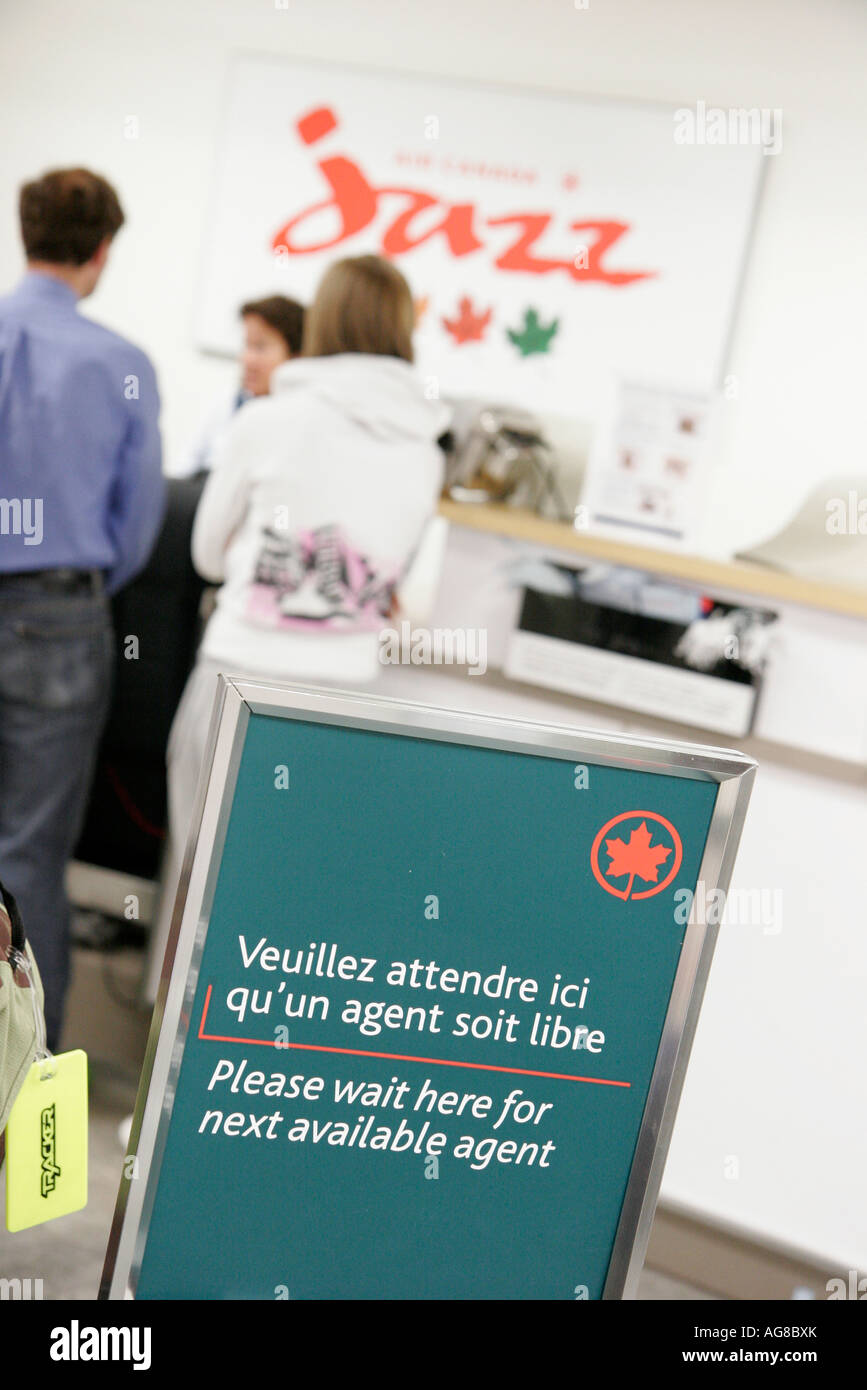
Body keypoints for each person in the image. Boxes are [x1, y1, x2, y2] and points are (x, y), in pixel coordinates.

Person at [146, 255, 448, 997]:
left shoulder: (270, 421)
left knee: (202, 882)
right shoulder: (424, 450)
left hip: (239, 679)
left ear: (323, 322)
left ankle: (165, 1100)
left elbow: (209, 554)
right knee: (295, 903)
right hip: (343, 699)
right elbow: (405, 585)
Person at [0, 167, 165, 1048]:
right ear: (102, 251)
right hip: (56, 622)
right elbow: (133, 530)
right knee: (25, 862)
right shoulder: (122, 365)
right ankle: (24, 1123)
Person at [176, 296, 305, 477]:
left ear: (296, 357)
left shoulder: (301, 420)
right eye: (247, 345)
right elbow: (185, 465)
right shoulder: (229, 401)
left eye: (260, 347)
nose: (247, 359)